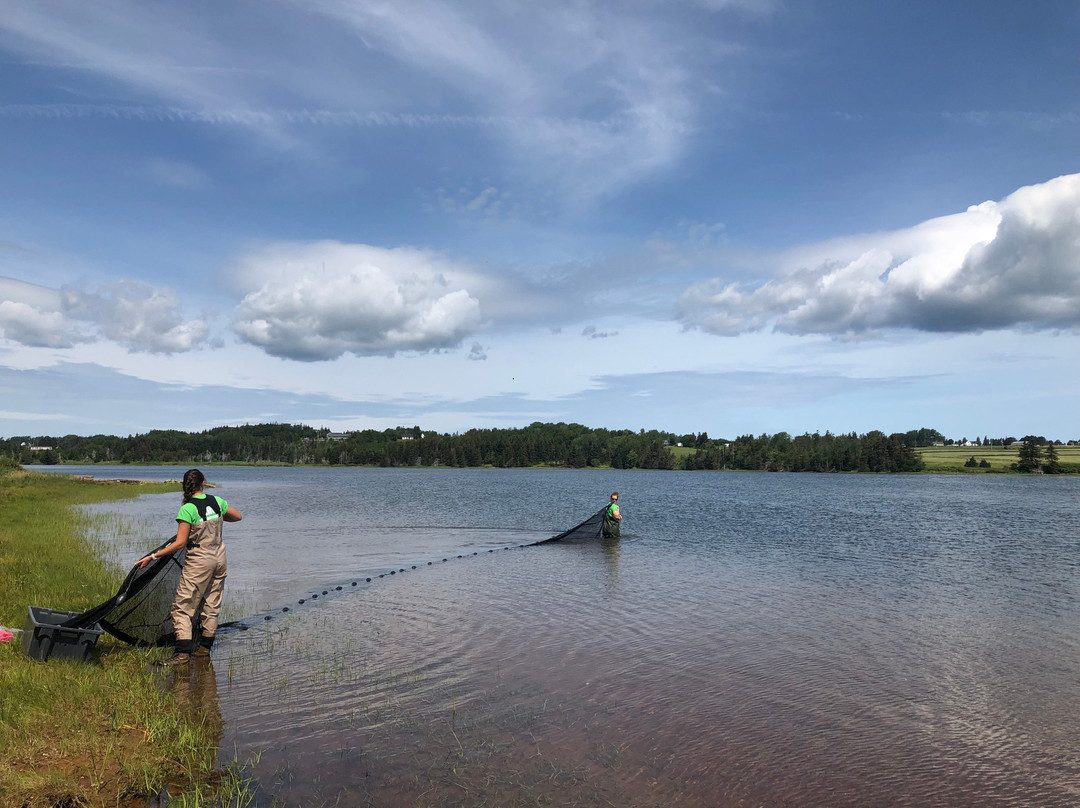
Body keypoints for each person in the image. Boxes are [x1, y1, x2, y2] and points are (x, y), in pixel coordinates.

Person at [136, 469, 241, 666]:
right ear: (203, 483)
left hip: (199, 560)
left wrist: (152, 556)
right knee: (211, 604)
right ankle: (204, 649)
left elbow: (180, 543)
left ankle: (182, 654)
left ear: (185, 486)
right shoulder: (217, 502)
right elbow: (237, 516)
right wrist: (216, 517)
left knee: (182, 608)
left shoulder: (187, 509)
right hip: (219, 557)